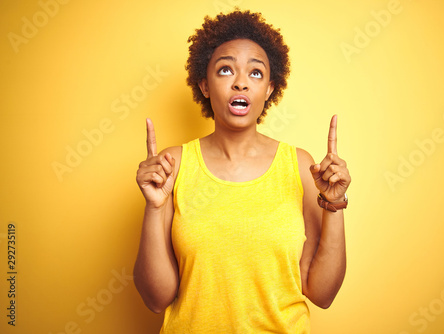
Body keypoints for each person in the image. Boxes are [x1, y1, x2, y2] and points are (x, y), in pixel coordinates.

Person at [133, 9, 351, 333]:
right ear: (205, 85)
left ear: (269, 88)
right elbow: (155, 298)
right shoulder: (172, 167)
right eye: (225, 70)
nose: (240, 83)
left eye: (255, 73)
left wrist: (334, 204)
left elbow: (323, 293)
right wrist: (154, 208)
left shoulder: (302, 167)